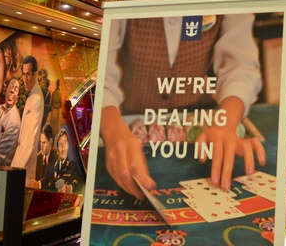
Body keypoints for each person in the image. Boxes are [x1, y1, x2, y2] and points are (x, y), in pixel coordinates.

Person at [100, 14, 265, 199]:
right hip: (130, 119)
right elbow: (99, 73)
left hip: (197, 118)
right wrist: (113, 132)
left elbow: (240, 67)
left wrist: (226, 122)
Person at [11, 55, 44, 183]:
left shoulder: (36, 99)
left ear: (35, 75)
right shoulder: (32, 96)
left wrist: (16, 171)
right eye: (23, 74)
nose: (24, 79)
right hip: (20, 167)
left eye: (28, 75)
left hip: (23, 170)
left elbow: (29, 141)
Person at [32, 128, 81, 193]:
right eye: (60, 144)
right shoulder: (52, 166)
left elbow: (78, 182)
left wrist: (69, 188)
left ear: (68, 146)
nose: (63, 148)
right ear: (57, 148)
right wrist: (37, 184)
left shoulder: (72, 165)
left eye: (65, 143)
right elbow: (46, 180)